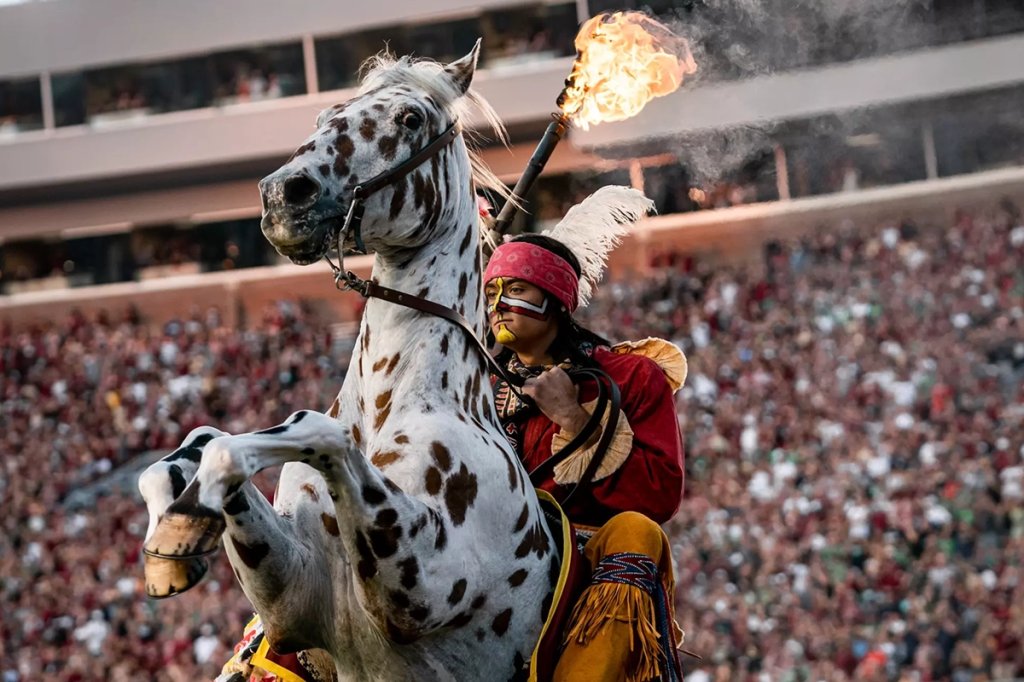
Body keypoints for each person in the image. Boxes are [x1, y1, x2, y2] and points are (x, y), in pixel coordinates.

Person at [483, 187, 687, 682]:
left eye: (516, 290)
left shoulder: (631, 377)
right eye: (492, 293)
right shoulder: (471, 386)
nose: (500, 305)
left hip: (584, 554)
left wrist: (573, 419)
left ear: (554, 300)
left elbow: (659, 493)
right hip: (483, 548)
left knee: (638, 533)